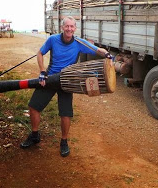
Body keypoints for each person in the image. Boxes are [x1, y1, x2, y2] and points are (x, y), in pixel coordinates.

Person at [20, 16, 112, 157]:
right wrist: (42, 71)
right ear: (62, 27)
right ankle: (34, 135)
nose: (69, 29)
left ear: (75, 28)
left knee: (66, 114)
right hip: (50, 79)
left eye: (72, 26)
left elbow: (97, 50)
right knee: (33, 107)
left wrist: (107, 54)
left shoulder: (79, 42)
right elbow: (40, 53)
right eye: (67, 26)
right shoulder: (53, 40)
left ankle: (64, 141)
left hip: (67, 80)